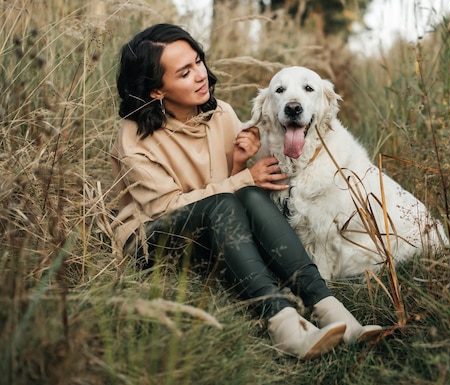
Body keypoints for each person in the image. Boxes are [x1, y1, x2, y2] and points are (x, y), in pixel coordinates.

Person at [110, 23, 382, 359]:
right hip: (152, 239)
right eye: (184, 73)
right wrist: (242, 179)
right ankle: (282, 323)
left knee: (251, 194)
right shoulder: (134, 137)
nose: (200, 75)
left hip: (213, 228)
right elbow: (169, 208)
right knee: (237, 194)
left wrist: (239, 163)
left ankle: (328, 307)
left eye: (198, 61)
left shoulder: (219, 112)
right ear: (156, 91)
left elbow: (232, 195)